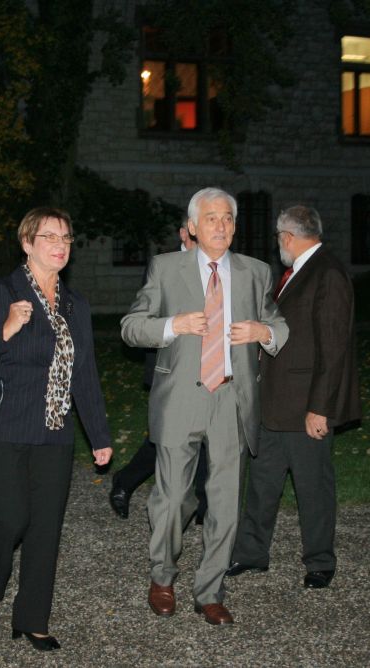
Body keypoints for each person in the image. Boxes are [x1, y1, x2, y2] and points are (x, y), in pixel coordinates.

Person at [121, 187, 288, 626]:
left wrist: (263, 333)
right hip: (180, 398)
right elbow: (131, 327)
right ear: (193, 227)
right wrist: (172, 325)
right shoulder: (166, 268)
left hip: (232, 398)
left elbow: (278, 324)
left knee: (225, 501)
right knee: (174, 497)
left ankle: (210, 591)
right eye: (211, 218)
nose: (221, 225)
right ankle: (162, 576)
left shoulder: (255, 272)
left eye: (228, 218)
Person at [0, 207, 113, 652]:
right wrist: (5, 328)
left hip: (54, 430)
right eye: (49, 237)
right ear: (27, 243)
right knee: (10, 516)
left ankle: (33, 619)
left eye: (66, 238)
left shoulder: (75, 305)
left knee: (45, 526)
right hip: (4, 426)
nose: (60, 245)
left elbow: (84, 373)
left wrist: (99, 435)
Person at [226, 205, 361, 590]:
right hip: (275, 403)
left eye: (278, 237)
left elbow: (333, 348)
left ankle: (320, 561)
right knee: (262, 482)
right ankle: (252, 553)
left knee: (313, 487)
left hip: (305, 407)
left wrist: (320, 408)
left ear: (287, 236)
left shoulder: (327, 273)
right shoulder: (297, 273)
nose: (278, 245)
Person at [109, 219, 208, 524]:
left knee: (205, 436)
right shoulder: (163, 266)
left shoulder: (217, 266)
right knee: (163, 439)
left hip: (207, 368)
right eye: (195, 233)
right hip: (170, 368)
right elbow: (145, 319)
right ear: (183, 233)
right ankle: (125, 481)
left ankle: (202, 504)